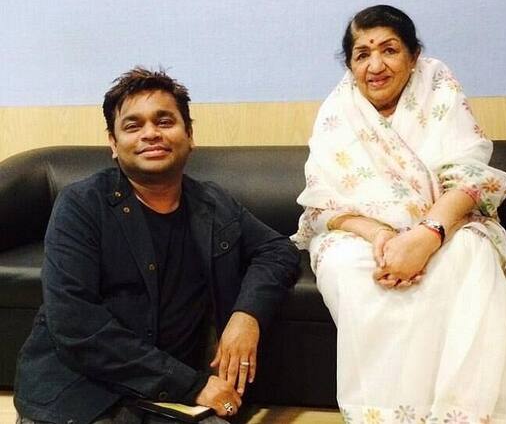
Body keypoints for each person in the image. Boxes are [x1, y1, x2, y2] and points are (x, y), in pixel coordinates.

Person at [292, 5, 506, 424]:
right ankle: (390, 415)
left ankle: (462, 413)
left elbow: (469, 178)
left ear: (413, 56)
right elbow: (323, 204)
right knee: (348, 267)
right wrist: (380, 237)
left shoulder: (439, 90)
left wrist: (427, 236)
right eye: (362, 54)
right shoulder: (338, 111)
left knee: (468, 255)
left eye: (389, 50)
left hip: (446, 223)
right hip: (364, 235)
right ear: (350, 65)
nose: (375, 65)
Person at [14, 67, 300, 424]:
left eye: (164, 121)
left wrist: (246, 317)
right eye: (133, 126)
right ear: (113, 144)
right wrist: (192, 385)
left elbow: (279, 251)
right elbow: (76, 325)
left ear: (189, 135)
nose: (151, 133)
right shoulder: (81, 205)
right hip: (82, 394)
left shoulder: (212, 204)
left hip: (169, 403)